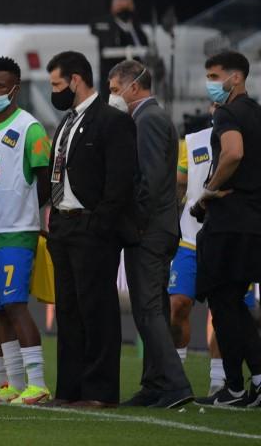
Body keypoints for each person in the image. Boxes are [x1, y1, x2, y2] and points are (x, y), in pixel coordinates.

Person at [46, 50, 136, 408]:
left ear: (76, 80)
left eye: (57, 84)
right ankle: (69, 389)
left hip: (91, 228)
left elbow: (120, 183)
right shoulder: (67, 122)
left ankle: (99, 392)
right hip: (63, 227)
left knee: (96, 309)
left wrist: (99, 225)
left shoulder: (112, 121)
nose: (55, 91)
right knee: (68, 311)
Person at [107, 60, 194, 408]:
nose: (112, 96)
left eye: (115, 89)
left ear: (134, 86)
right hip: (153, 227)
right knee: (151, 306)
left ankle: (175, 384)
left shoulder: (149, 119)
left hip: (150, 230)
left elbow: (153, 179)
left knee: (148, 309)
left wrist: (137, 222)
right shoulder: (144, 119)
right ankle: (155, 383)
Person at [0, 57, 53, 406]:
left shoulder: (29, 128)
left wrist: (28, 211)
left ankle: (38, 384)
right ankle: (12, 384)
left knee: (16, 306)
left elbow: (47, 180)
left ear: (15, 90)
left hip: (16, 233)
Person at [193, 51, 261, 407]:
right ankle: (244, 385)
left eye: (215, 75)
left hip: (228, 221)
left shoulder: (229, 114)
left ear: (236, 78)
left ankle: (241, 384)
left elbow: (232, 153)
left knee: (224, 303)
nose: (211, 83)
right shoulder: (257, 113)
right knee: (232, 302)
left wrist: (208, 191)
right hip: (251, 220)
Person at [169, 113, 232, 395]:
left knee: (225, 312)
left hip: (229, 241)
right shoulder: (191, 142)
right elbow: (179, 182)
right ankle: (177, 377)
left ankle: (219, 381)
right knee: (178, 305)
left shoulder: (247, 144)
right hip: (190, 239)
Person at [91, 0, 150, 95]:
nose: (124, 11)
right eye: (120, 7)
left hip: (134, 86)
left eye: (127, 6)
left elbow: (144, 50)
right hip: (112, 87)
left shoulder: (136, 28)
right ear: (113, 8)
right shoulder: (106, 25)